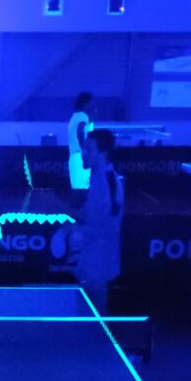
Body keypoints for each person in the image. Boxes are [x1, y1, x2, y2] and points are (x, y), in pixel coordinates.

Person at [67, 129, 124, 313]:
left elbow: (111, 229)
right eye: (84, 148)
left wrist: (77, 229)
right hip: (89, 261)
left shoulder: (111, 183)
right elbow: (90, 215)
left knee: (95, 317)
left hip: (100, 265)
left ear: (103, 154)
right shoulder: (96, 179)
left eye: (89, 149)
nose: (84, 153)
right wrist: (61, 209)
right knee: (85, 314)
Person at [68, 91, 94, 195]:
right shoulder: (83, 116)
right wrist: (85, 150)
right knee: (83, 187)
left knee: (77, 188)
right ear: (86, 103)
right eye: (91, 102)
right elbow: (80, 132)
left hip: (74, 156)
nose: (92, 105)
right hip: (80, 155)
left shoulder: (75, 116)